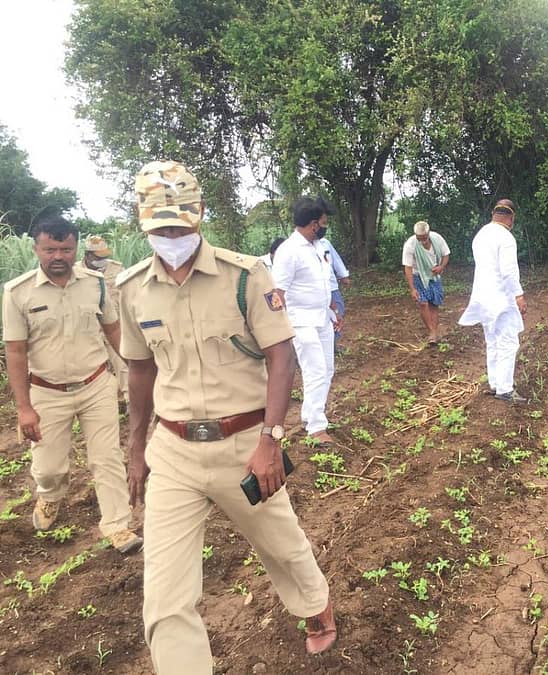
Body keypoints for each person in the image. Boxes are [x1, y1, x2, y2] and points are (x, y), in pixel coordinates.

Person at [118, 161, 336, 672]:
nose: (171, 236)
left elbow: (281, 356)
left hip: (244, 444)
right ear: (143, 223)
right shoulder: (131, 290)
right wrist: (135, 449)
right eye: (160, 228)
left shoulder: (245, 276)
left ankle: (314, 605)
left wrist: (271, 438)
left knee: (282, 545)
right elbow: (139, 371)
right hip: (172, 452)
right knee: (166, 593)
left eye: (180, 224)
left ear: (199, 216)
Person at [2, 216, 141, 554]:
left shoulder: (96, 284)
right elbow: (16, 351)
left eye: (65, 248)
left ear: (75, 248)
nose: (58, 256)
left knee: (107, 458)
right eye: (50, 249)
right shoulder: (17, 293)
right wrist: (24, 408)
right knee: (49, 468)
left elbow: (113, 330)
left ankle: (118, 525)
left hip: (95, 385)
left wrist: (134, 374)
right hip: (46, 392)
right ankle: (49, 496)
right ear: (36, 248)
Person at [271, 196, 338, 445]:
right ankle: (316, 427)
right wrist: (280, 328)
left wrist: (331, 307)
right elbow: (278, 293)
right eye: (323, 222)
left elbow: (321, 282)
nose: (325, 225)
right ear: (313, 224)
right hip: (301, 321)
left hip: (322, 318)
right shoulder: (289, 252)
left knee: (327, 369)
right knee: (315, 370)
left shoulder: (317, 247)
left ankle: (311, 415)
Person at [459, 200, 527, 403]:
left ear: (493, 214)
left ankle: (496, 383)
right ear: (511, 218)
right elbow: (508, 272)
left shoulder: (481, 235)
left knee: (493, 341)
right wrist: (519, 295)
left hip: (482, 297)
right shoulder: (505, 237)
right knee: (507, 342)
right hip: (500, 297)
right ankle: (505, 389)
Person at [75, 235, 129, 403]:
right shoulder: (74, 271)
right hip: (88, 330)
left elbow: (127, 297)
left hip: (115, 327)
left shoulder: (117, 269)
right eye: (99, 257)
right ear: (87, 255)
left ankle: (130, 401)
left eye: (104, 257)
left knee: (124, 365)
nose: (103, 261)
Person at [402, 220, 450, 345]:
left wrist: (441, 267)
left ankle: (434, 331)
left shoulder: (437, 239)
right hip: (418, 276)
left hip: (434, 275)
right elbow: (408, 267)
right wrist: (412, 288)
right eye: (419, 238)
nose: (422, 241)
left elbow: (446, 255)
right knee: (422, 303)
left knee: (434, 303)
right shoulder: (410, 245)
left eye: (424, 238)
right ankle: (432, 333)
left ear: (428, 233)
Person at [313, 200, 350, 355]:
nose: (325, 226)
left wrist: (343, 275)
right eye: (323, 222)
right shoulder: (301, 248)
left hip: (331, 287)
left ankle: (332, 346)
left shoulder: (325, 244)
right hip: (316, 291)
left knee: (337, 313)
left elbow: (335, 260)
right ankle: (324, 348)